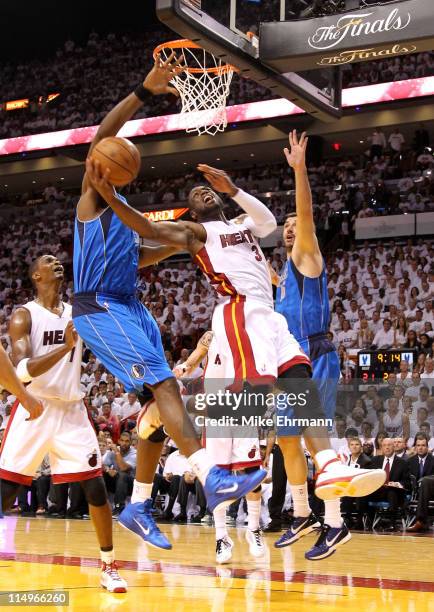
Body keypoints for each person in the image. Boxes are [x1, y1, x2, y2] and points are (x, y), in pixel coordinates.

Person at [87, 128, 386, 561]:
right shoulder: (196, 234)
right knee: (238, 417)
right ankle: (214, 510)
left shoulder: (242, 224)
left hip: (271, 317)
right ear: (191, 211)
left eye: (207, 189)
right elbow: (149, 226)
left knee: (299, 387)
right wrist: (112, 199)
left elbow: (265, 221)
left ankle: (330, 466)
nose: (202, 192)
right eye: (196, 193)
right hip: (238, 313)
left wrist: (235, 189)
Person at [71, 55, 266, 550]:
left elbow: (158, 242)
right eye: (113, 158)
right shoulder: (93, 200)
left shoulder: (131, 235)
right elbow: (103, 136)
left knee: (161, 406)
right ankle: (209, 475)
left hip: (130, 308)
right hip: (98, 308)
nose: (116, 160)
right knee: (164, 386)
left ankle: (138, 503)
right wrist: (144, 91)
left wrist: (197, 237)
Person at [0, 255, 127, 593]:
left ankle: (109, 565)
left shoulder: (78, 313)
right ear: (35, 274)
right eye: (47, 261)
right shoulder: (23, 316)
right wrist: (65, 348)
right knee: (7, 490)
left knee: (95, 487)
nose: (57, 263)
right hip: (34, 409)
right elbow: (21, 369)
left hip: (71, 409)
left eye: (58, 261)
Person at [271, 131, 352, 560]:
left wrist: (300, 170)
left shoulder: (307, 259)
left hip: (315, 355)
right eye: (283, 227)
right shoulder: (281, 277)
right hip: (289, 362)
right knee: (286, 439)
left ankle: (335, 523)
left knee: (313, 434)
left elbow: (305, 214)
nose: (290, 230)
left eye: (294, 226)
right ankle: (302, 513)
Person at [175, 331, 265, 563]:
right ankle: (221, 536)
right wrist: (185, 366)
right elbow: (197, 353)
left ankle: (254, 529)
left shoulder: (252, 332)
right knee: (216, 477)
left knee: (253, 473)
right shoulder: (211, 335)